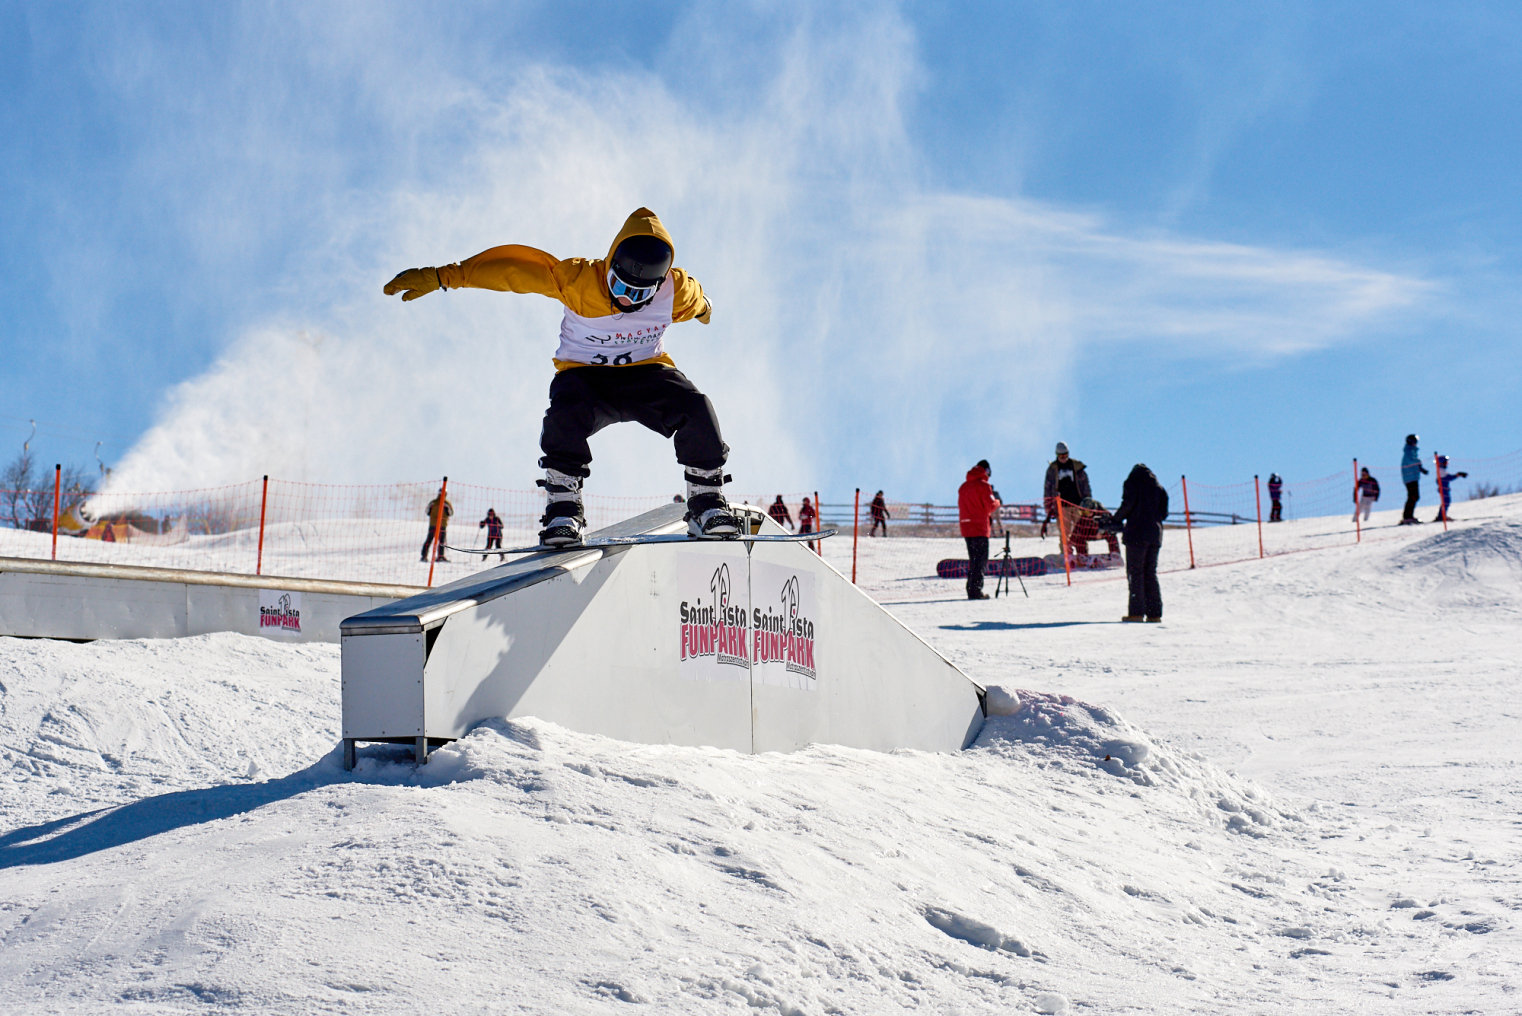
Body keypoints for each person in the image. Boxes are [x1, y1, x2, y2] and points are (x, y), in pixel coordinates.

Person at [384, 208, 738, 547]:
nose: (627, 300)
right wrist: (446, 276)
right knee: (564, 416)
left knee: (695, 406)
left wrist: (704, 307)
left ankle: (706, 501)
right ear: (609, 265)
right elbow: (514, 271)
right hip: (584, 378)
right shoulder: (578, 280)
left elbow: (696, 301)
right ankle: (564, 509)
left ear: (658, 284)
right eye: (620, 287)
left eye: (639, 294)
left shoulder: (674, 289)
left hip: (646, 374)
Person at [1109, 463, 1169, 622]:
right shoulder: (1159, 488)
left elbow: (1127, 504)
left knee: (1135, 572)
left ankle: (1136, 612)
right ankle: (1154, 614)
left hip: (1136, 533)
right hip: (1155, 535)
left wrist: (1116, 519)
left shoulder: (1132, 482)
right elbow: (1164, 512)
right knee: (1150, 572)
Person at [958, 460, 1001, 600]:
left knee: (973, 559)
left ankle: (971, 589)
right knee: (980, 561)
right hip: (980, 527)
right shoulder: (984, 486)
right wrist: (997, 502)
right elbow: (989, 506)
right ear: (986, 470)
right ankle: (975, 591)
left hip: (966, 526)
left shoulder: (963, 487)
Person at [1042, 442, 1091, 557]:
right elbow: (1047, 488)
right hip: (1061, 506)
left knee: (1081, 530)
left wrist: (1088, 501)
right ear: (1056, 455)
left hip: (1078, 504)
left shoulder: (1077, 467)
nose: (1063, 458)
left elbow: (1085, 485)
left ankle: (1083, 553)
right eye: (1060, 456)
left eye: (1065, 455)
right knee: (1065, 532)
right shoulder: (1052, 469)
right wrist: (1048, 506)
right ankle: (1066, 554)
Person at [1400, 434, 1429, 525]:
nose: (1416, 443)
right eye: (1415, 441)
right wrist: (1419, 463)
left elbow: (1414, 462)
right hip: (1410, 477)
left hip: (1412, 477)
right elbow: (1411, 461)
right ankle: (1407, 516)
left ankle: (1408, 516)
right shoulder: (1409, 451)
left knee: (1414, 496)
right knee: (1413, 496)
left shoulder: (1411, 451)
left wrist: (1421, 469)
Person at [421, 488, 453, 562]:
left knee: (429, 540)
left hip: (432, 524)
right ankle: (440, 556)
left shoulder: (433, 502)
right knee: (441, 541)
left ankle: (424, 556)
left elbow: (427, 512)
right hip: (442, 524)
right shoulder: (446, 503)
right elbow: (451, 513)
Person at [1433, 455, 1468, 522]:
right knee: (1445, 502)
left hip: (1445, 488)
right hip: (1444, 489)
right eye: (1446, 462)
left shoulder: (1442, 470)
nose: (1447, 464)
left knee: (1446, 502)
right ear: (1441, 463)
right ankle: (1441, 516)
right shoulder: (1440, 470)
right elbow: (1448, 478)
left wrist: (1458, 475)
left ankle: (1442, 516)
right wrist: (1458, 475)